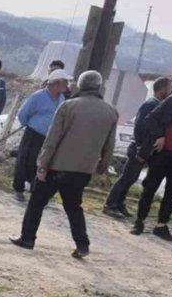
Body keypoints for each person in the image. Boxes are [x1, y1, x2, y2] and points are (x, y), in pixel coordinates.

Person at [10, 71, 117, 259]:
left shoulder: (68, 106)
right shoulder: (110, 111)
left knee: (36, 202)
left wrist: (42, 165)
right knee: (74, 206)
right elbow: (109, 144)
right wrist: (102, 167)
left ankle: (27, 238)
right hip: (84, 169)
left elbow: (52, 138)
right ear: (98, 87)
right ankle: (82, 245)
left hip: (57, 166)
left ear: (81, 86)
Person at [103, 76, 172, 218]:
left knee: (132, 178)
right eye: (169, 88)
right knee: (127, 177)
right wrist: (141, 149)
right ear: (162, 90)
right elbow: (141, 128)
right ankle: (110, 204)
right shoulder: (150, 105)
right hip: (139, 149)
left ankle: (119, 203)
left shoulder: (157, 105)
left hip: (145, 149)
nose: (171, 92)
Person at [12, 69, 72, 202]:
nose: (67, 85)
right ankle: (18, 189)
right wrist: (30, 125)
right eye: (65, 82)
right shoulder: (38, 96)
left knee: (41, 163)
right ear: (57, 83)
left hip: (49, 137)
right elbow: (23, 113)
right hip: (34, 133)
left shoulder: (61, 98)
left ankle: (35, 190)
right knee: (24, 161)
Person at [131, 92, 172, 241]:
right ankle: (139, 221)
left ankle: (161, 225)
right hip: (163, 152)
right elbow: (151, 119)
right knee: (150, 187)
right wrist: (160, 135)